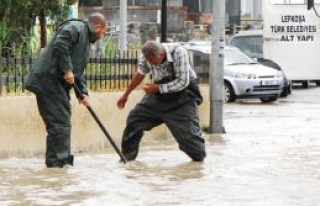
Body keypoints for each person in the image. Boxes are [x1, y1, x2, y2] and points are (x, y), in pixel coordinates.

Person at [25, 12, 108, 168]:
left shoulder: (84, 42)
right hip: (47, 80)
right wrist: (67, 69)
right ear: (97, 27)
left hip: (55, 83)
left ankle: (63, 162)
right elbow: (60, 44)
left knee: (63, 121)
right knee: (60, 122)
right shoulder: (76, 27)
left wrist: (82, 93)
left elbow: (78, 72)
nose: (103, 36)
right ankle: (56, 164)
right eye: (104, 32)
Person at [117, 41, 206, 162]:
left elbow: (183, 82)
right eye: (149, 62)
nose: (150, 64)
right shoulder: (146, 56)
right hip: (158, 97)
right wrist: (126, 95)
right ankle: (127, 158)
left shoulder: (179, 52)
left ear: (161, 54)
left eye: (153, 62)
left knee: (193, 144)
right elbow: (140, 73)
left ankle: (198, 165)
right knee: (135, 119)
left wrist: (158, 88)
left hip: (183, 97)